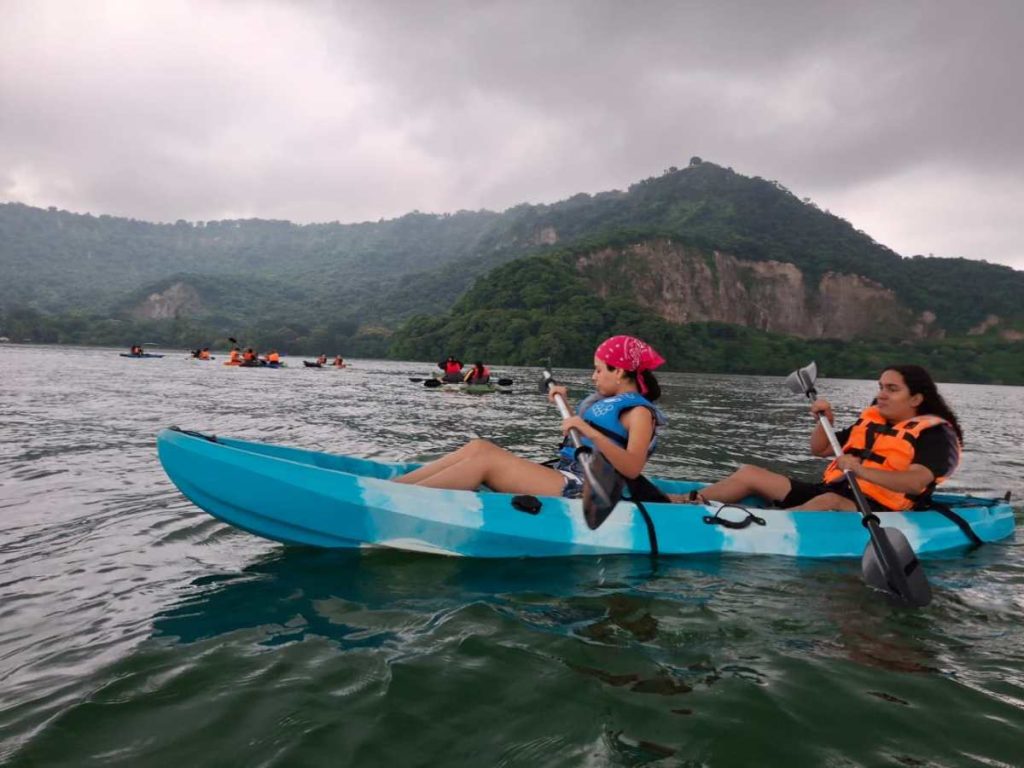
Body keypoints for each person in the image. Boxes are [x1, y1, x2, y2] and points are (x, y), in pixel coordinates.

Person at [395, 335, 667, 497]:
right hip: (568, 471)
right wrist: (568, 409)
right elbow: (588, 437)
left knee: (485, 461)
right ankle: (393, 489)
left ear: (618, 371)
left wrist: (587, 429)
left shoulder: (640, 413)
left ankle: (398, 500)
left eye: (598, 370)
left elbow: (632, 467)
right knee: (479, 447)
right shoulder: (608, 402)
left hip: (587, 487)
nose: (593, 376)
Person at [677, 365, 963, 511]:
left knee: (828, 502)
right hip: (837, 491)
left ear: (916, 399)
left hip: (880, 508)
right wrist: (825, 422)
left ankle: (764, 524)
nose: (881, 395)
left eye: (892, 389)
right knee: (750, 473)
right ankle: (679, 502)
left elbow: (916, 482)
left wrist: (861, 470)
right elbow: (820, 449)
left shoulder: (936, 434)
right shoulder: (873, 422)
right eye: (880, 387)